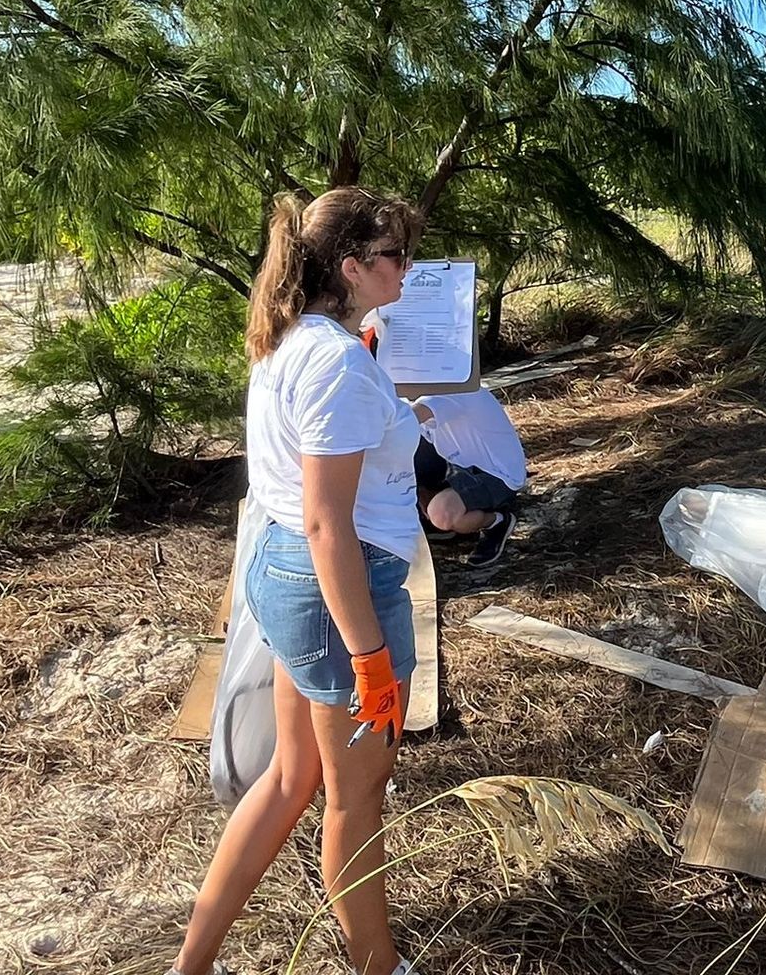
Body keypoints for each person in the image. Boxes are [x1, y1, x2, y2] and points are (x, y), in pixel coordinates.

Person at [170, 188, 426, 975]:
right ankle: (377, 965)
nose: (408, 269)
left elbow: (313, 492)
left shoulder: (295, 338)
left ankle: (192, 964)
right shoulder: (338, 363)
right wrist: (371, 657)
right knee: (354, 805)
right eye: (394, 257)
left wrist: (387, 405)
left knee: (289, 779)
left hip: (287, 578)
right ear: (350, 267)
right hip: (339, 593)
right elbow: (329, 524)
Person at [412, 388, 527, 568]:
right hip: (459, 467)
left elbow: (405, 418)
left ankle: (496, 521)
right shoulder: (410, 393)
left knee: (442, 514)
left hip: (496, 475)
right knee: (404, 451)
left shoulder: (457, 388)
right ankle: (430, 522)